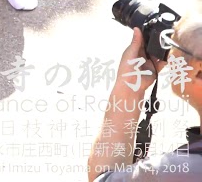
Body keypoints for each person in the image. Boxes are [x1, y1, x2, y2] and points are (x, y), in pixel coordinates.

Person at [87, 15, 202, 181]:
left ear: (198, 70)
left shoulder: (176, 172)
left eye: (171, 43)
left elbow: (103, 177)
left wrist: (129, 89)